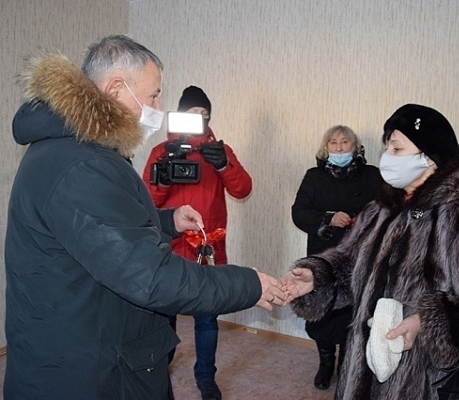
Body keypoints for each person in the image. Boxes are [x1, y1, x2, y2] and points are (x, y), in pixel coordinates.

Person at [4, 35, 286, 400]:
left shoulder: (73, 148)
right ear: (116, 89)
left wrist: (167, 221)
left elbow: (108, 225)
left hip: (88, 340)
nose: (158, 105)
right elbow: (150, 277)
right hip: (88, 368)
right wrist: (249, 284)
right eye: (153, 95)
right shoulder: (84, 164)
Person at [282, 104, 459, 399]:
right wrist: (317, 277)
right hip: (365, 368)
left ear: (428, 158)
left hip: (428, 380)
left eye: (397, 149)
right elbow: (351, 263)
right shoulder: (381, 208)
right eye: (387, 147)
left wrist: (428, 323)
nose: (387, 157)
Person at [142, 85, 252, 400]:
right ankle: (160, 366)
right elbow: (145, 200)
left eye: (204, 115)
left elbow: (243, 189)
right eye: (192, 114)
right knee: (165, 316)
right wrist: (162, 179)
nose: (199, 120)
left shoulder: (220, 150)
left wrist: (223, 165)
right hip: (169, 247)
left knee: (207, 317)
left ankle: (206, 377)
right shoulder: (161, 151)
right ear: (179, 116)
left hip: (208, 246)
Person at [291, 125, 380, 390]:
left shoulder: (373, 175)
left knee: (352, 314)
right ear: (325, 147)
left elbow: (388, 209)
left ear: (355, 147)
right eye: (333, 143)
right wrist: (328, 218)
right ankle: (326, 362)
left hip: (359, 256)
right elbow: (299, 212)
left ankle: (345, 363)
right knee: (322, 312)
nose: (339, 147)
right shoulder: (314, 176)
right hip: (324, 256)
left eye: (345, 143)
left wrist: (363, 220)